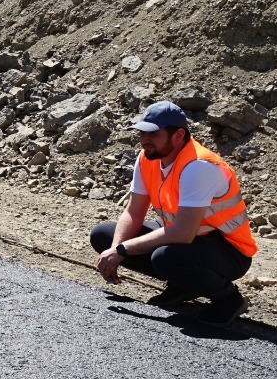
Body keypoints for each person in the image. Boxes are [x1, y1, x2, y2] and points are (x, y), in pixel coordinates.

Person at [90, 101, 258, 324]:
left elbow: (182, 233)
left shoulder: (198, 166)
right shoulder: (148, 157)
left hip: (228, 250)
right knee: (103, 236)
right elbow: (134, 211)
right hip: (188, 238)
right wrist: (115, 249)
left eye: (153, 134)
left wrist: (123, 249)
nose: (144, 140)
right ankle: (184, 286)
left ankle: (229, 300)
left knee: (166, 257)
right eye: (141, 133)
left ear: (178, 136)